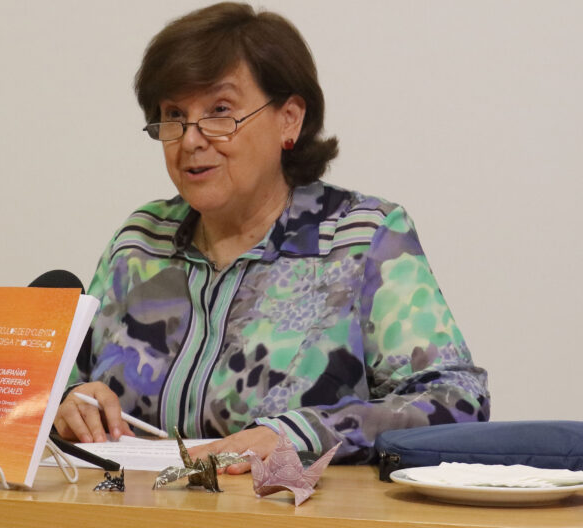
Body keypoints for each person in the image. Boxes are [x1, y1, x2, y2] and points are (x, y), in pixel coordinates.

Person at [54, 2, 489, 473]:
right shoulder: (140, 242)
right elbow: (57, 388)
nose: (191, 139)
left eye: (220, 111)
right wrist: (69, 403)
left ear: (289, 120)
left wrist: (297, 434)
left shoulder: (361, 239)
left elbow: (457, 400)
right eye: (174, 115)